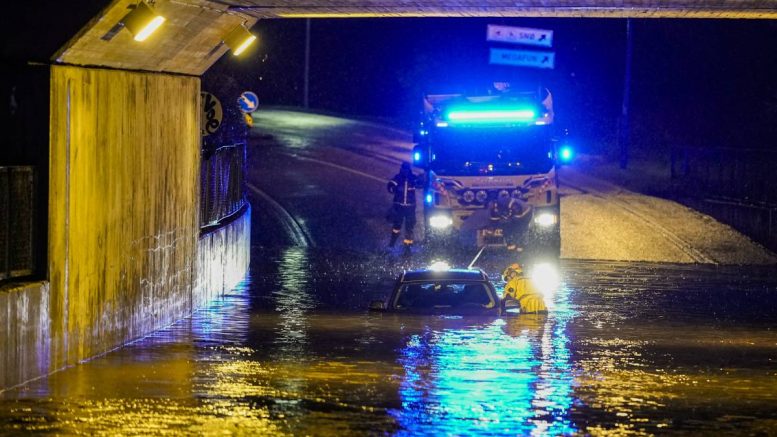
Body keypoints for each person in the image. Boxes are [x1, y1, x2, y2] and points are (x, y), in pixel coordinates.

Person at [387, 162, 422, 250]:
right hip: (400, 206)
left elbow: (420, 184)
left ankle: (407, 247)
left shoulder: (412, 178)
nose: (405, 170)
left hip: (409, 207)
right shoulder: (398, 177)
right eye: (404, 169)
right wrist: (393, 189)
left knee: (409, 227)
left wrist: (422, 179)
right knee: (397, 226)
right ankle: (392, 244)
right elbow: (390, 185)